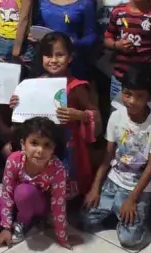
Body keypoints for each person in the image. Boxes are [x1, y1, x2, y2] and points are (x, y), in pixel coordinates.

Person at [82, 67, 151, 248]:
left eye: (139, 96)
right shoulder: (116, 116)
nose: (132, 101)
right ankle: (117, 210)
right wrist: (95, 187)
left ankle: (137, 212)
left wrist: (132, 199)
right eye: (127, 94)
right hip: (114, 180)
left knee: (129, 240)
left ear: (149, 97)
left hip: (138, 188)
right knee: (85, 220)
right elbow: (108, 155)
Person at [19, 32, 99, 198]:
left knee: (63, 187)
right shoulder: (36, 83)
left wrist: (79, 115)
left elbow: (95, 114)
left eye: (60, 55)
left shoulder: (77, 86)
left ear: (70, 58)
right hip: (42, 144)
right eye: (48, 55)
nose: (53, 60)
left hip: (68, 147)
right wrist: (18, 104)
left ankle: (62, 214)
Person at [0, 117, 75, 248]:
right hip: (15, 199)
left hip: (38, 202)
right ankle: (16, 219)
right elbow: (7, 193)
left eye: (47, 145)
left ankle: (24, 221)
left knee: (24, 192)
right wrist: (6, 227)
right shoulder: (14, 160)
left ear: (53, 149)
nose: (40, 150)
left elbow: (58, 204)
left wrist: (62, 237)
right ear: (23, 144)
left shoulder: (57, 169)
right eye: (34, 143)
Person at [34, 0, 97, 79]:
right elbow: (39, 26)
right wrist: (34, 37)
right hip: (47, 63)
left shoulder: (85, 3)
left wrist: (74, 43)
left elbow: (91, 35)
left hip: (72, 65)